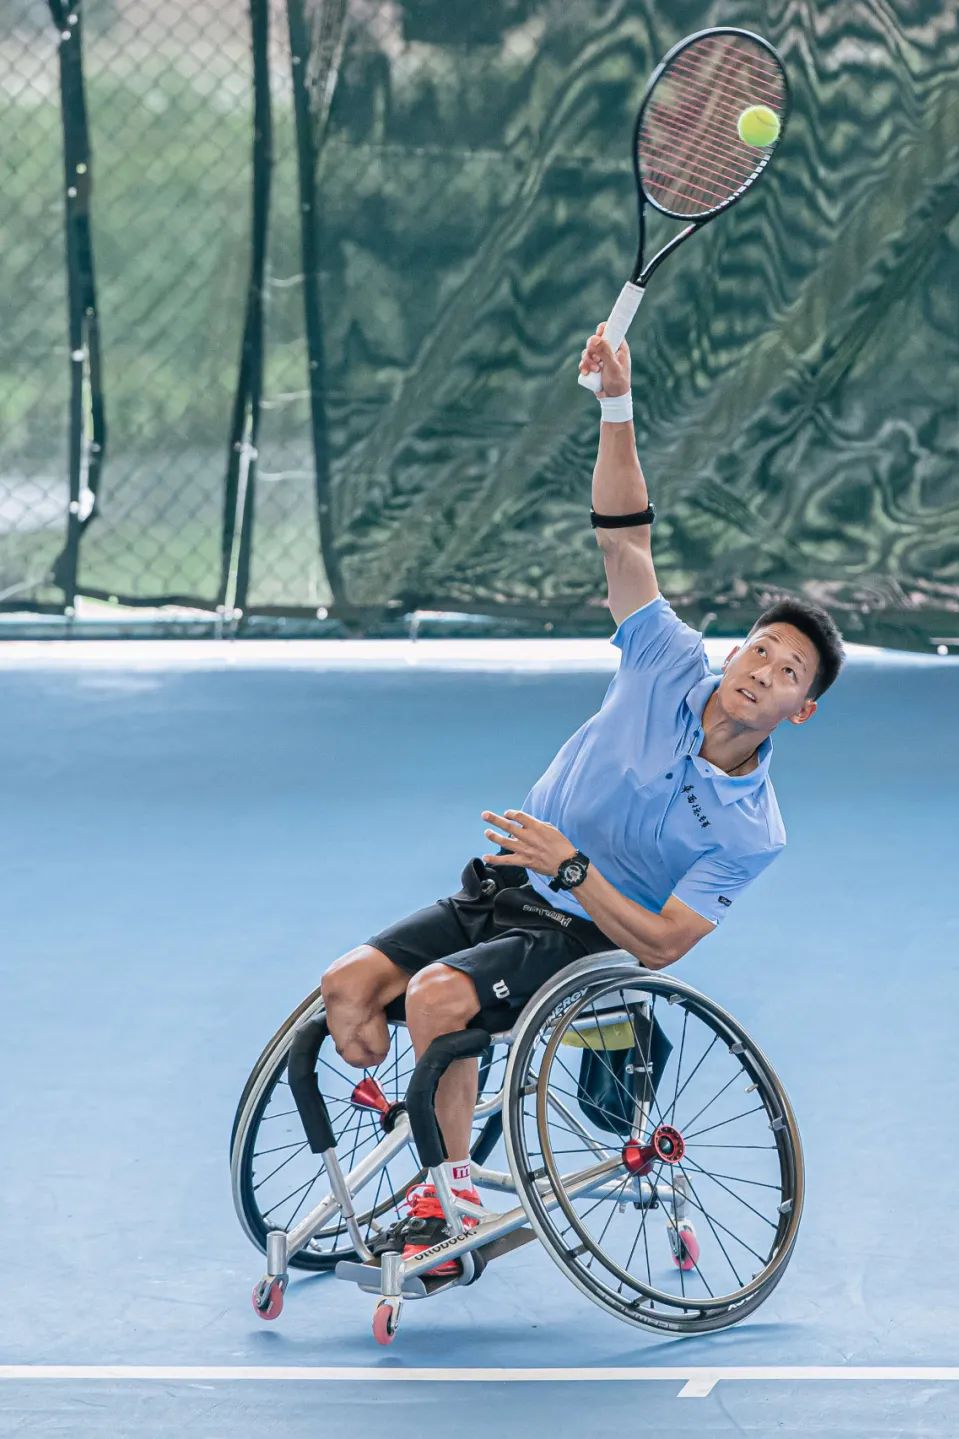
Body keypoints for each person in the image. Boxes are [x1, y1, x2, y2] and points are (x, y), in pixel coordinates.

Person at [321, 324, 845, 1271]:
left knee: (437, 997)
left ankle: (448, 1204)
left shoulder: (753, 830)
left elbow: (662, 944)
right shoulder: (664, 658)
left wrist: (573, 867)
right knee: (347, 989)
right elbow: (625, 539)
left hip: (585, 938)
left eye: (788, 671)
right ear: (734, 651)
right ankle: (444, 1112)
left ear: (799, 711)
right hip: (502, 888)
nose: (763, 668)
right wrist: (616, 403)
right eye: (761, 647)